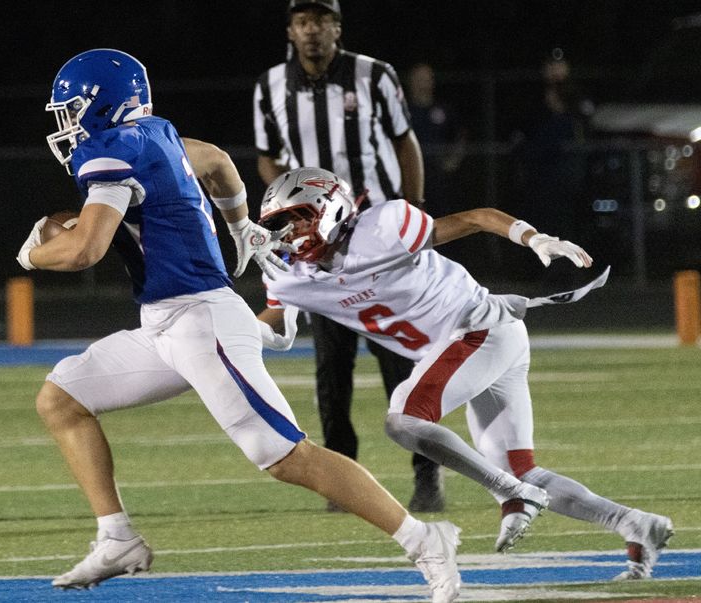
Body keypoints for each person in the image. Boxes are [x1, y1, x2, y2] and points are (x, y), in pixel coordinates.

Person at [15, 49, 463, 602]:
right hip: (166, 323)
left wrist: (32, 254)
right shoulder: (156, 133)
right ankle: (117, 538)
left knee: (286, 456)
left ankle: (426, 540)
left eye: (72, 109)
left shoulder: (110, 150)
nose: (68, 123)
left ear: (102, 104)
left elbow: (85, 250)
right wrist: (241, 223)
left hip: (201, 322)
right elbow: (217, 161)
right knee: (61, 399)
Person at [255, 167, 674, 580]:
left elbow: (476, 218)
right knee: (522, 471)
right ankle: (636, 524)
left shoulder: (383, 226)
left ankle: (509, 493)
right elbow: (269, 320)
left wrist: (534, 238)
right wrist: (228, 342)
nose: (288, 234)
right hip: (478, 343)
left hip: (479, 328)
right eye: (280, 225)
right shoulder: (291, 277)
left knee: (405, 419)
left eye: (296, 219)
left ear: (329, 209)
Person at [253, 0, 445, 513]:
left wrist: (413, 208)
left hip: (375, 237)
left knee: (400, 359)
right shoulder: (270, 86)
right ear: (290, 31)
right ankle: (344, 482)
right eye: (302, 22)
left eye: (321, 21)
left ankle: (427, 472)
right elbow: (267, 155)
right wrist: (290, 205)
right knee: (331, 369)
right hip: (320, 247)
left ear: (337, 28)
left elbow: (405, 141)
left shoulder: (373, 75)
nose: (311, 30)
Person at [508, 48, 595, 290]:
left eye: (560, 65)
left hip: (571, 176)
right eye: (551, 66)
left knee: (570, 225)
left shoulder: (576, 97)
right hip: (541, 177)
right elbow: (522, 134)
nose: (555, 71)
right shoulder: (534, 99)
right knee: (544, 225)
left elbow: (585, 126)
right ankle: (547, 273)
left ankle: (572, 272)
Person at [405, 62, 467, 216]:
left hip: (439, 176)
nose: (423, 83)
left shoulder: (444, 109)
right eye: (419, 78)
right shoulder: (402, 110)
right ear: (411, 81)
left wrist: (453, 160)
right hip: (410, 175)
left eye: (427, 78)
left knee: (442, 216)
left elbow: (460, 135)